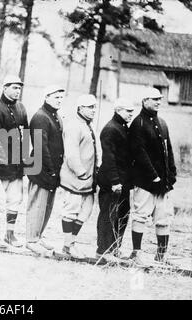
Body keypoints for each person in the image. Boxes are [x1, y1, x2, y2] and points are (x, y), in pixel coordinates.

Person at [128, 88, 177, 265]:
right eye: (155, 99)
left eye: (160, 99)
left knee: (164, 218)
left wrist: (171, 174)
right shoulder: (138, 123)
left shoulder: (162, 123)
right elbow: (139, 153)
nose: (158, 102)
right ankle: (136, 253)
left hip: (163, 184)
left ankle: (161, 255)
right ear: (144, 100)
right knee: (141, 215)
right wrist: (153, 177)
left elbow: (168, 150)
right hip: (145, 182)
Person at [0, 75, 28, 248]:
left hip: (16, 164)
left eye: (19, 88)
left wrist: (24, 159)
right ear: (5, 88)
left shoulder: (22, 108)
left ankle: (10, 234)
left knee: (15, 199)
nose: (17, 91)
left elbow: (25, 136)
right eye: (14, 87)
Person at [25, 85, 65, 254]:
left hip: (52, 170)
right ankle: (31, 239)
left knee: (47, 206)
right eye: (56, 97)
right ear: (46, 97)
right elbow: (41, 148)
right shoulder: (41, 117)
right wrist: (52, 169)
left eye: (61, 97)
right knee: (37, 205)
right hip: (41, 169)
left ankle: (38, 236)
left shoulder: (55, 116)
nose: (59, 100)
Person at [59, 94, 99, 259]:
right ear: (80, 108)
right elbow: (72, 154)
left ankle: (71, 243)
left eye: (94, 107)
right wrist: (81, 172)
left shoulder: (88, 126)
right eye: (89, 107)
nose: (93, 110)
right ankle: (68, 246)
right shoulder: (74, 125)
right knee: (71, 211)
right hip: (74, 179)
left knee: (85, 212)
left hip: (88, 180)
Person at [96, 97, 135, 261]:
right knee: (108, 215)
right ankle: (103, 251)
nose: (131, 115)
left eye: (132, 112)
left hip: (123, 181)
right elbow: (109, 158)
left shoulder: (122, 127)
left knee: (122, 214)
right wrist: (115, 182)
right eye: (128, 111)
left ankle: (114, 248)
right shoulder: (111, 129)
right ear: (118, 110)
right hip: (112, 182)